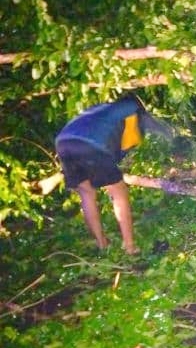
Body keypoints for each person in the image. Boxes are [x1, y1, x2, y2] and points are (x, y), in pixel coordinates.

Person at [55, 95, 175, 255]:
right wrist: (174, 142)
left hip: (63, 142)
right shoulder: (133, 108)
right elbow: (131, 142)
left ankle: (101, 243)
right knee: (118, 190)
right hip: (91, 144)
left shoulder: (102, 108)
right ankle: (130, 246)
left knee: (86, 192)